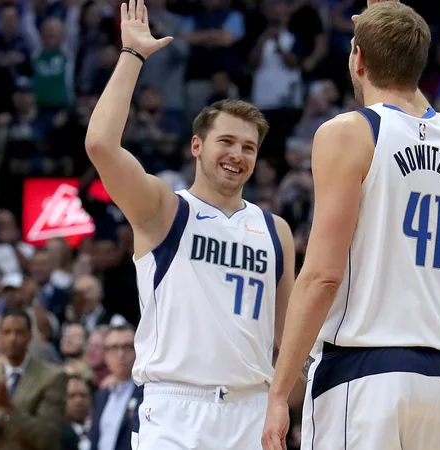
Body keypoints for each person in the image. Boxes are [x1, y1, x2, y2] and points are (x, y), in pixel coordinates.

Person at [262, 1, 440, 449]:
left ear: (358, 59)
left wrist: (280, 392)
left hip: (364, 370)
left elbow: (321, 275)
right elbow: (412, 103)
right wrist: (395, 29)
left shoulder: (347, 132)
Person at [83, 0, 296, 449]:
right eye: (226, 142)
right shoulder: (164, 209)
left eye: (249, 148)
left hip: (252, 410)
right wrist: (133, 56)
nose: (237, 155)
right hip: (176, 408)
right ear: (197, 146)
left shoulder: (275, 230)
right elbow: (101, 144)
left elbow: (288, 336)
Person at [0, 309, 67, 450]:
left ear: (30, 336)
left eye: (19, 332)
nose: (12, 339)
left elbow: (46, 438)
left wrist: (9, 408)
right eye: (7, 332)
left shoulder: (53, 377)